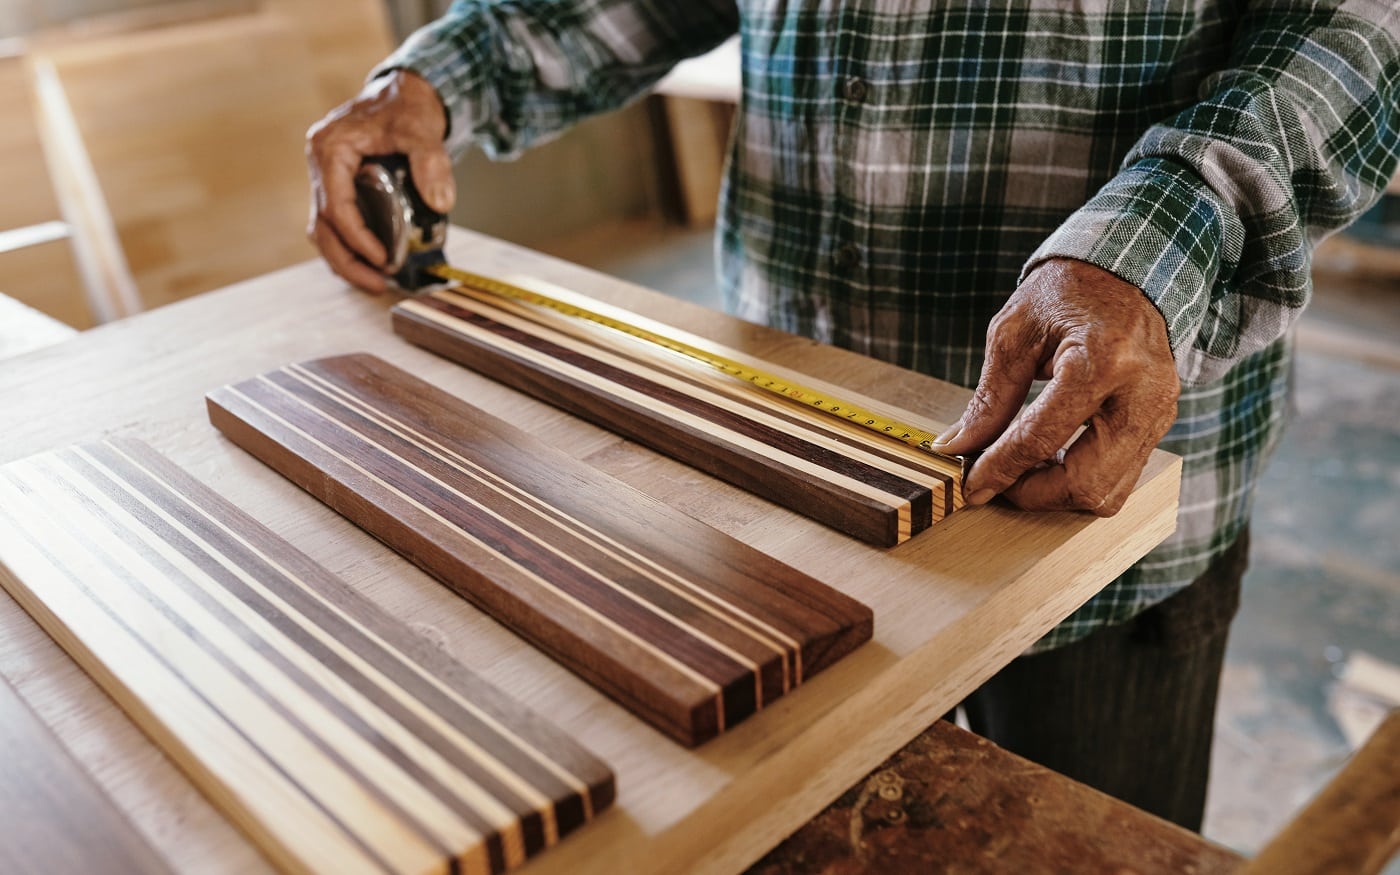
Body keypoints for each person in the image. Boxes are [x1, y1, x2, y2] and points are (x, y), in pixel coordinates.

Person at [306, 0, 1400, 831]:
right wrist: (440, 73)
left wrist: (1172, 225)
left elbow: (1361, 26)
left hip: (1088, 466)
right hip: (775, 474)